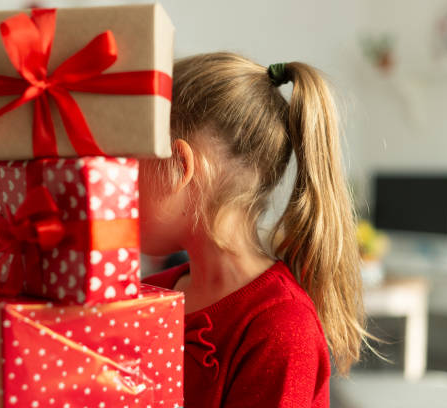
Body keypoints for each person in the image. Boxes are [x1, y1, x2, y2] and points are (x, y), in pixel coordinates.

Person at [140, 53, 367, 407]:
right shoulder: (146, 295)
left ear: (179, 165)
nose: (117, 185)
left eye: (131, 162)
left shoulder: (282, 328)